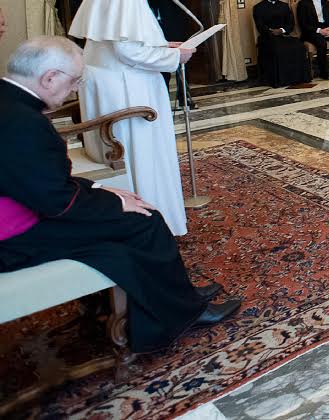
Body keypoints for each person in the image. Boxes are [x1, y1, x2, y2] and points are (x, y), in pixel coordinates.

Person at [0, 37, 241, 353]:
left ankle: (181, 297)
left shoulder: (9, 102)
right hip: (15, 236)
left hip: (22, 209)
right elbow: (56, 201)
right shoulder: (24, 122)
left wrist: (98, 189)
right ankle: (184, 314)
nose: (74, 90)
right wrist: (115, 202)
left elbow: (33, 178)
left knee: (130, 214)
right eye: (74, 81)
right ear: (49, 78)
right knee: (145, 219)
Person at [68, 0, 194, 237]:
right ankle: (147, 218)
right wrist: (174, 57)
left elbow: (126, 41)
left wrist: (163, 46)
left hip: (112, 83)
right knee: (141, 155)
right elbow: (127, 50)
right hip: (126, 90)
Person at [147, 0, 195, 109]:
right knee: (162, 70)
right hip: (157, 34)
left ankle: (184, 98)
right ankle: (163, 100)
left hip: (175, 32)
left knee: (182, 68)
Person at [252, 0, 312, 87]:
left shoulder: (284, 6)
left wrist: (281, 30)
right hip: (267, 36)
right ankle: (280, 80)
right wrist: (272, 32)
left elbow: (290, 23)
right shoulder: (258, 7)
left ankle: (298, 78)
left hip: (284, 35)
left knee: (299, 46)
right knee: (278, 49)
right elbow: (260, 25)